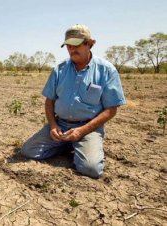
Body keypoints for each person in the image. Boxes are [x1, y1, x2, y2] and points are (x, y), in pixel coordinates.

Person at [20, 24, 126, 178]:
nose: (72, 49)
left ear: (90, 44)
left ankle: (81, 145)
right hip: (60, 125)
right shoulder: (59, 70)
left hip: (88, 128)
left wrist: (81, 131)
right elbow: (49, 102)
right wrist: (53, 125)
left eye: (76, 44)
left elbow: (111, 110)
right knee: (28, 151)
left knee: (91, 169)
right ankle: (67, 144)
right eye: (68, 45)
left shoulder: (106, 70)